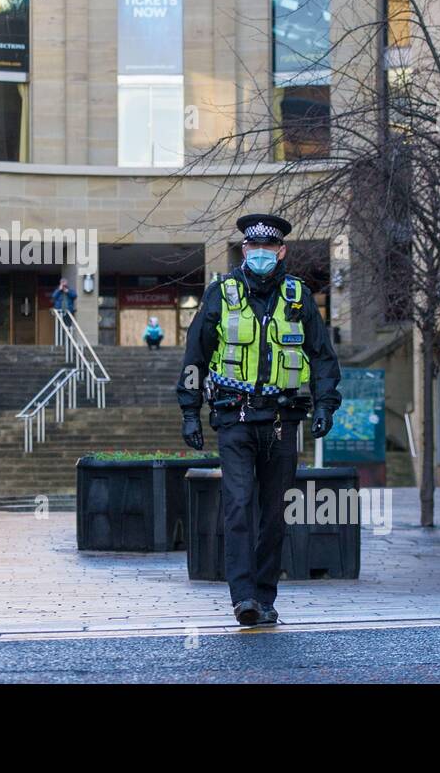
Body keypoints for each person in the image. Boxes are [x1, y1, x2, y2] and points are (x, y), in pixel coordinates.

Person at [176, 214, 341, 628]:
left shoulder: (299, 297)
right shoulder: (221, 294)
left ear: (281, 251)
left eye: (271, 249)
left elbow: (323, 356)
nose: (263, 254)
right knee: (237, 506)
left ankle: (265, 596)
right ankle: (244, 597)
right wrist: (189, 411)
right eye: (255, 248)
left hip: (284, 419)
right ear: (244, 250)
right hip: (235, 417)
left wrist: (325, 406)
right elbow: (195, 356)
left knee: (274, 512)